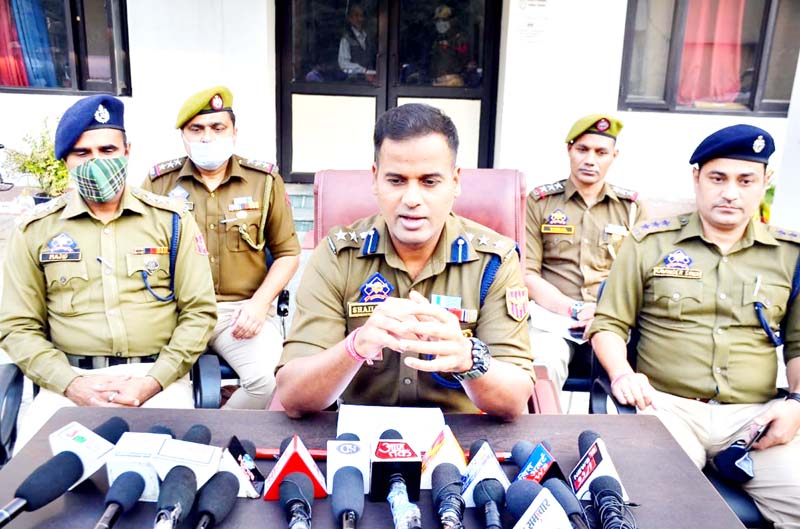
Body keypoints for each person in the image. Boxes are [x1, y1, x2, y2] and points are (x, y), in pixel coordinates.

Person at [589, 124, 800, 527]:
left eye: (745, 180)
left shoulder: (791, 255)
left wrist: (797, 405)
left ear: (765, 182)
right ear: (697, 178)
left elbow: (799, 345)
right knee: (655, 505)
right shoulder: (650, 243)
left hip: (756, 418)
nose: (730, 192)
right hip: (666, 407)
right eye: (718, 178)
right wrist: (622, 375)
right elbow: (608, 324)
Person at [274, 103, 534, 420]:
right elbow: (293, 396)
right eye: (396, 180)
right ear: (375, 179)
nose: (411, 199)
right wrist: (354, 347)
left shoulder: (495, 259)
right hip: (357, 441)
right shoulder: (338, 255)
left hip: (459, 440)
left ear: (455, 182)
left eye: (429, 182)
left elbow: (515, 400)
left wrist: (467, 359)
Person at [0, 95, 217, 447]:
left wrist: (154, 380)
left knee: (167, 483)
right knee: (35, 483)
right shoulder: (35, 229)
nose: (97, 162)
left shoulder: (172, 221)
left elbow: (199, 313)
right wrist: (71, 383)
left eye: (107, 150)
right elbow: (17, 326)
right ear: (66, 161)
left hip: (157, 382)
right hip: (68, 385)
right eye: (82, 154)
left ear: (127, 152)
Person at [143, 86, 300, 409]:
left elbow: (288, 254)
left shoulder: (264, 181)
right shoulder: (160, 184)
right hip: (175, 311)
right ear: (183, 136)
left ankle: (214, 441)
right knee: (155, 389)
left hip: (241, 312)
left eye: (218, 128)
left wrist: (259, 305)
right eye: (196, 129)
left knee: (266, 383)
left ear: (234, 132)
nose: (207, 138)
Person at [526, 114, 643, 391]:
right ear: (569, 150)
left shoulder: (632, 208)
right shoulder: (540, 202)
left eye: (601, 152)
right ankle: (543, 433)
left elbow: (640, 279)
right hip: (552, 320)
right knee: (544, 365)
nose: (590, 159)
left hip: (612, 321)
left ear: (614, 156)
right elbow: (527, 274)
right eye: (583, 149)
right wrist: (575, 308)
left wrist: (606, 314)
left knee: (641, 372)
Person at [429, 5, 469, 87]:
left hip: (453, 82)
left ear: (452, 20)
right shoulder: (436, 39)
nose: (440, 23)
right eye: (438, 20)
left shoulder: (460, 38)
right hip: (437, 81)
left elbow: (464, 60)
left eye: (444, 19)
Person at [338, 4, 376, 78]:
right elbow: (343, 64)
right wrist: (363, 71)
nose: (360, 19)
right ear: (350, 18)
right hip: (354, 84)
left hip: (370, 83)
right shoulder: (346, 39)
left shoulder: (368, 37)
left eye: (362, 16)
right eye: (356, 15)